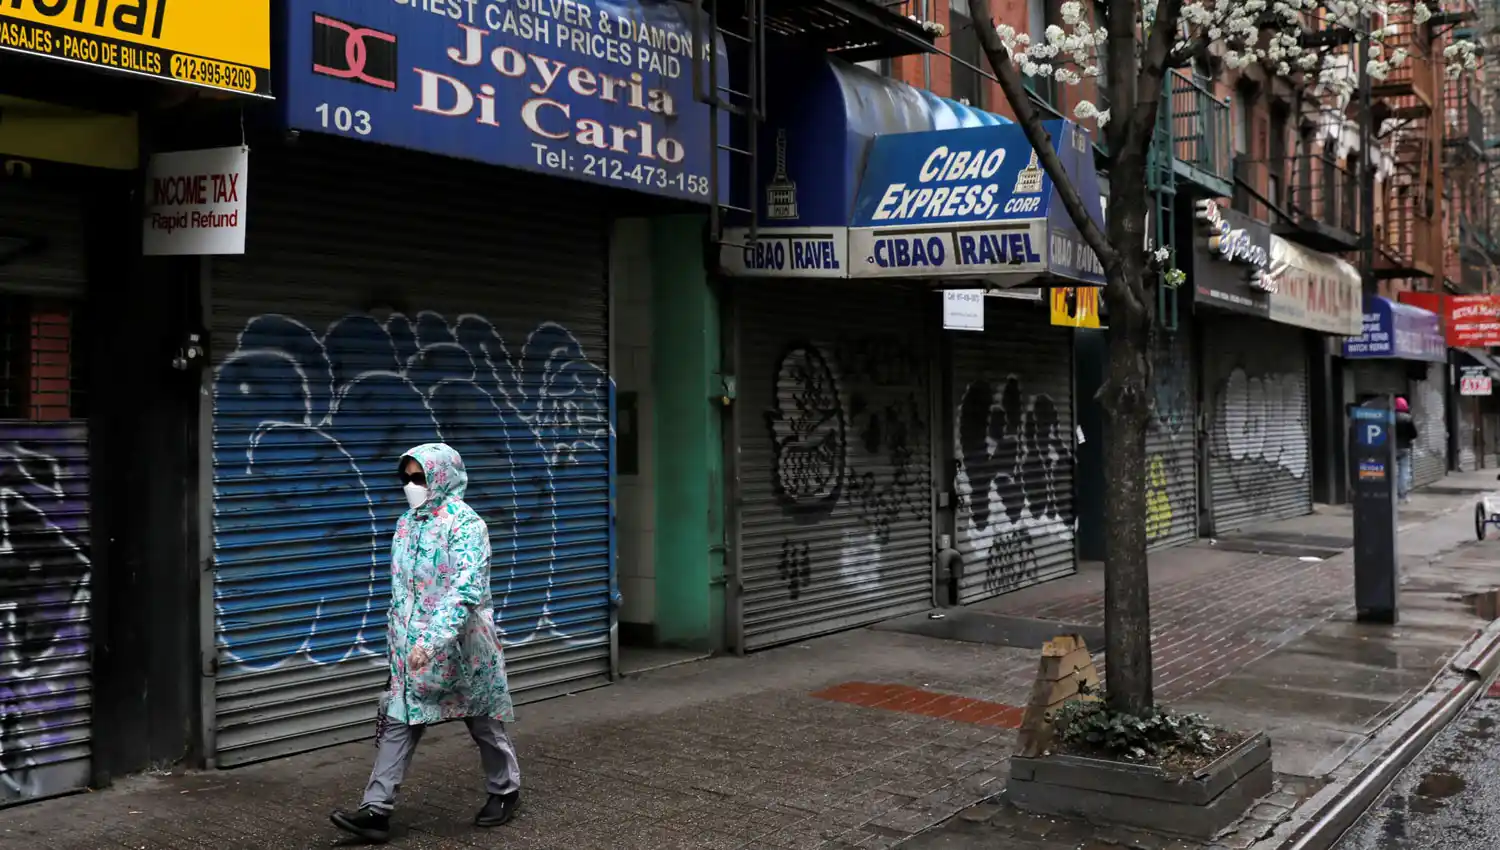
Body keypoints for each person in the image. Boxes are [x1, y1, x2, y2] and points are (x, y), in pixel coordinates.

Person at [331, 443, 520, 844]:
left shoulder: (466, 525)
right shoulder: (406, 524)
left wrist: (432, 641)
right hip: (411, 653)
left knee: (483, 721)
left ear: (442, 476)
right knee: (399, 721)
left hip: (462, 647)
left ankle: (505, 791)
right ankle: (375, 810)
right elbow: (401, 593)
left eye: (419, 477)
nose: (412, 485)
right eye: (406, 478)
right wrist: (399, 646)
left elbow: (465, 591)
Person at [1394, 397, 1418, 503]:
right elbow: (1414, 434)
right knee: (1404, 471)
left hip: (1392, 448)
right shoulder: (1408, 418)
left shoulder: (1390, 417)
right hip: (1405, 448)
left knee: (1394, 472)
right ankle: (1403, 495)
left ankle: (1393, 494)